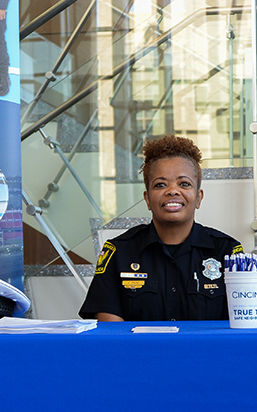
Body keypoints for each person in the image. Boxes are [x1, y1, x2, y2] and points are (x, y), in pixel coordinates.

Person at [79, 135, 244, 322]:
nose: (172, 191)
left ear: (198, 197)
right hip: (140, 352)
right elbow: (111, 332)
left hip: (205, 352)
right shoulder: (119, 252)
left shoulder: (227, 252)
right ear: (147, 199)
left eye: (184, 184)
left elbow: (240, 325)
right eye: (160, 185)